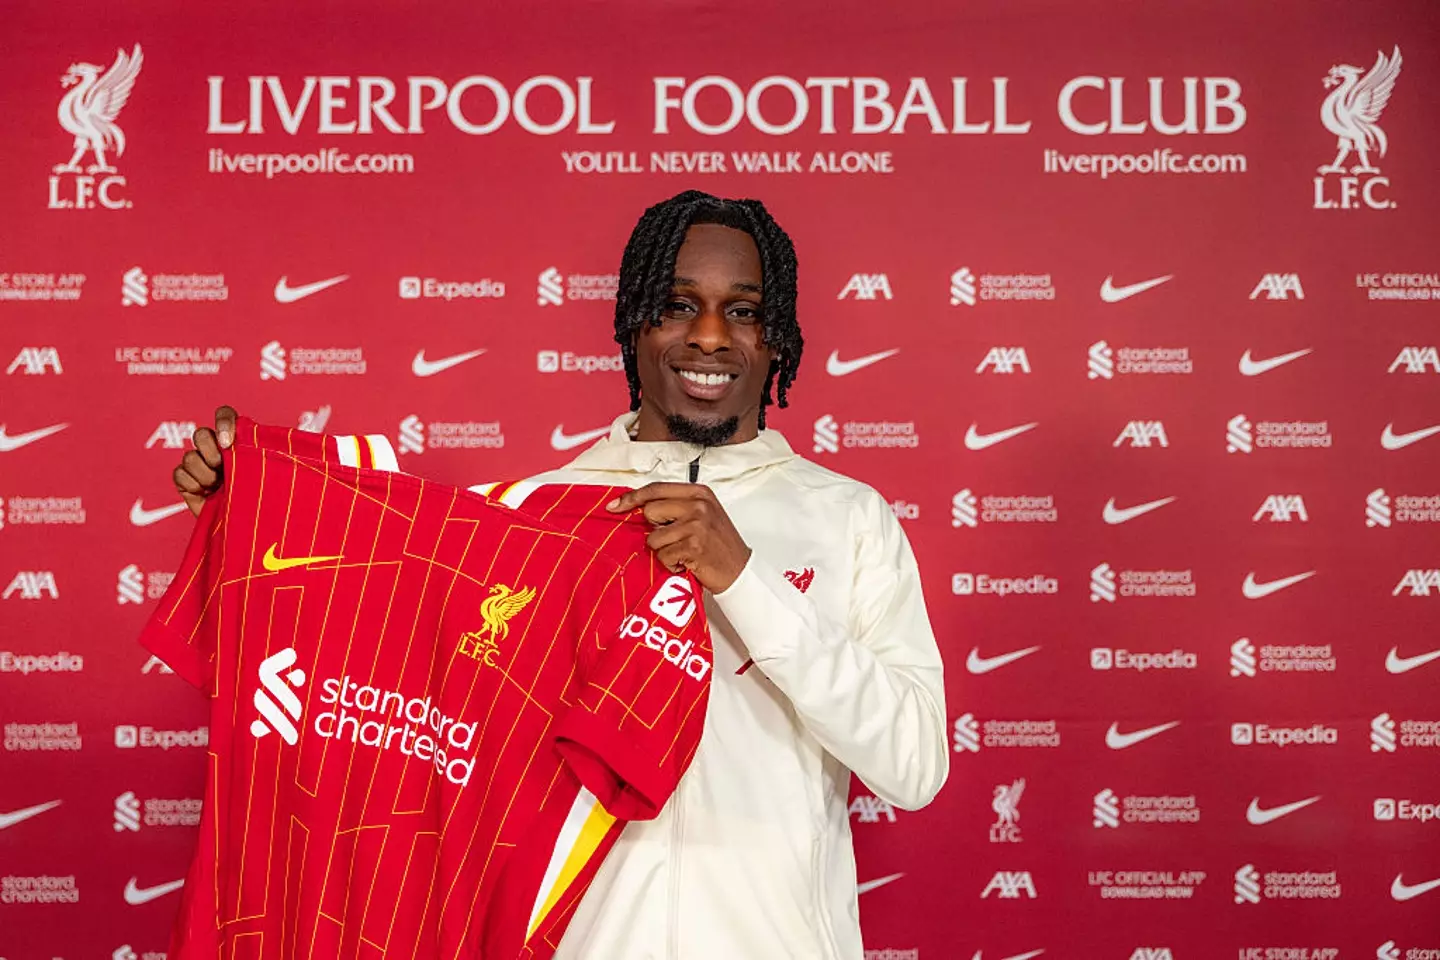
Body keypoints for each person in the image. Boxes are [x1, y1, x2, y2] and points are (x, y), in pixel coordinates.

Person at [172, 190, 949, 959]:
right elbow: (377, 662)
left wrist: (742, 577)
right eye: (677, 304)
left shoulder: (848, 519)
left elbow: (912, 764)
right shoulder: (541, 516)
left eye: (742, 311)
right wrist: (253, 511)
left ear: (777, 337)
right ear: (631, 323)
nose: (710, 337)